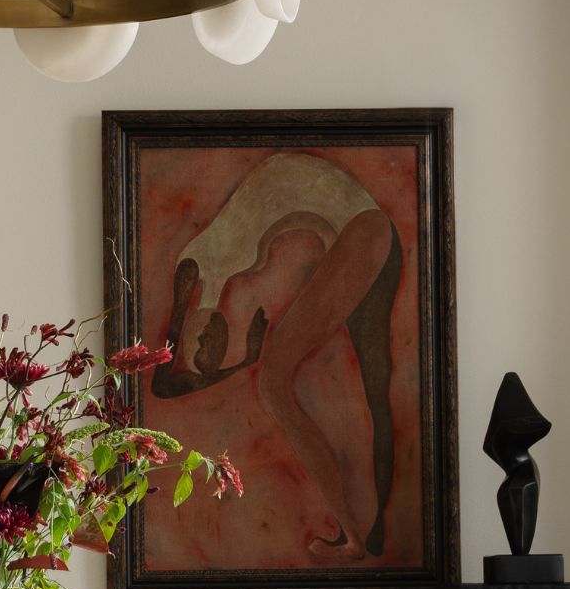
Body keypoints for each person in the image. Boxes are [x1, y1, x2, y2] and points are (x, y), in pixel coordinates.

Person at [153, 151, 402, 560]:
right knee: (373, 391)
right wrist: (242, 362)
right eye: (211, 358)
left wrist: (239, 363)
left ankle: (356, 539)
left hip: (364, 229)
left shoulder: (192, 269)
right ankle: (369, 534)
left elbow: (162, 380)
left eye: (201, 350)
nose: (207, 348)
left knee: (279, 385)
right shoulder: (220, 281)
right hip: (366, 229)